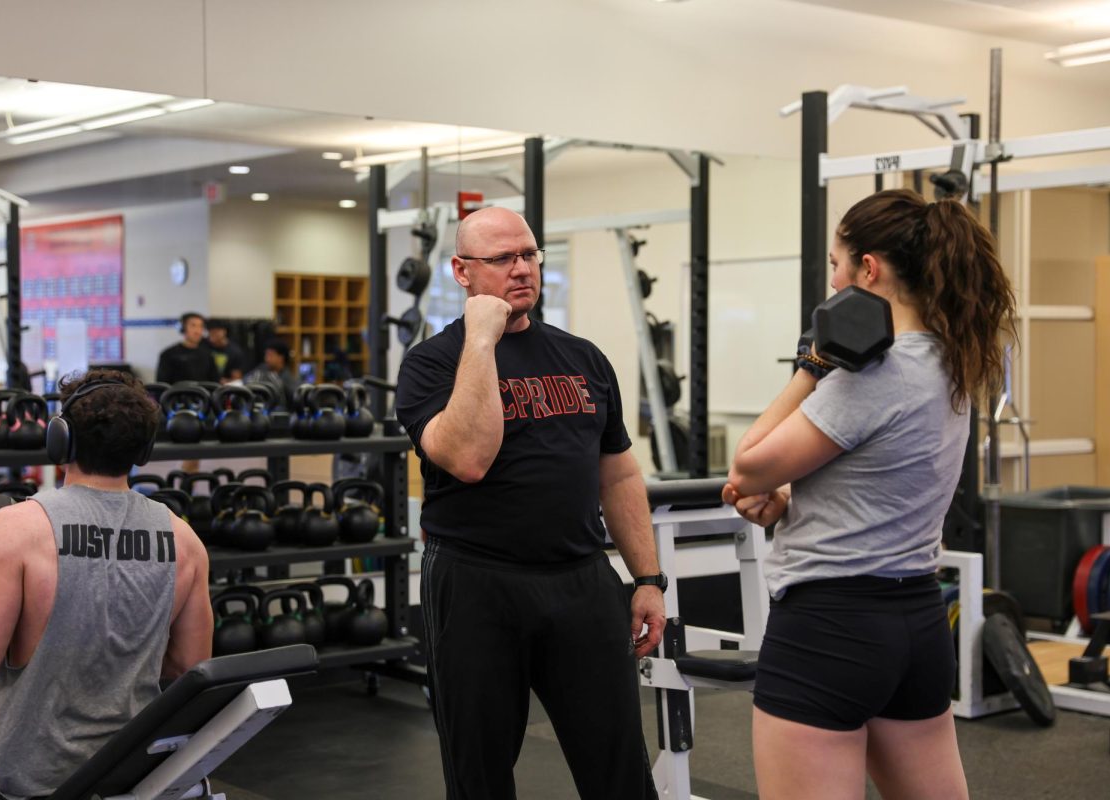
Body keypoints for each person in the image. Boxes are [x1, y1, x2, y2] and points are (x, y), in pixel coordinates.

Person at [722, 188, 1016, 800]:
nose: (832, 283)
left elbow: (748, 465)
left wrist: (813, 363)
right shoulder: (950, 360)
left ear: (869, 270)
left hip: (831, 627)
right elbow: (880, 482)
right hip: (915, 622)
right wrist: (791, 509)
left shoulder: (876, 373)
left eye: (836, 264)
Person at [395, 207, 665, 800]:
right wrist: (482, 338)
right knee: (481, 773)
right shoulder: (430, 365)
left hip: (581, 578)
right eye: (502, 259)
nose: (522, 269)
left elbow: (617, 474)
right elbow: (467, 457)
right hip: (476, 585)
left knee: (619, 766)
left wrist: (646, 576)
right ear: (462, 273)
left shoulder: (584, 358)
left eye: (529, 254)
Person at [0, 368, 213, 798]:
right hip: (135, 770)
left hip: (36, 778)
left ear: (61, 439)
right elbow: (188, 668)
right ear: (142, 449)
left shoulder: (16, 529)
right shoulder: (184, 541)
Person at [155, 312, 219, 385]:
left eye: (201, 326)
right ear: (183, 328)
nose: (198, 331)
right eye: (193, 326)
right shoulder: (168, 354)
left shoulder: (208, 354)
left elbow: (215, 383)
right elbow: (161, 386)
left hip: (203, 395)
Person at [244, 339, 299, 408]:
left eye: (270, 355)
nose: (266, 359)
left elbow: (295, 397)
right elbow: (246, 380)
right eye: (266, 355)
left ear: (281, 358)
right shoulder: (261, 369)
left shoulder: (288, 378)